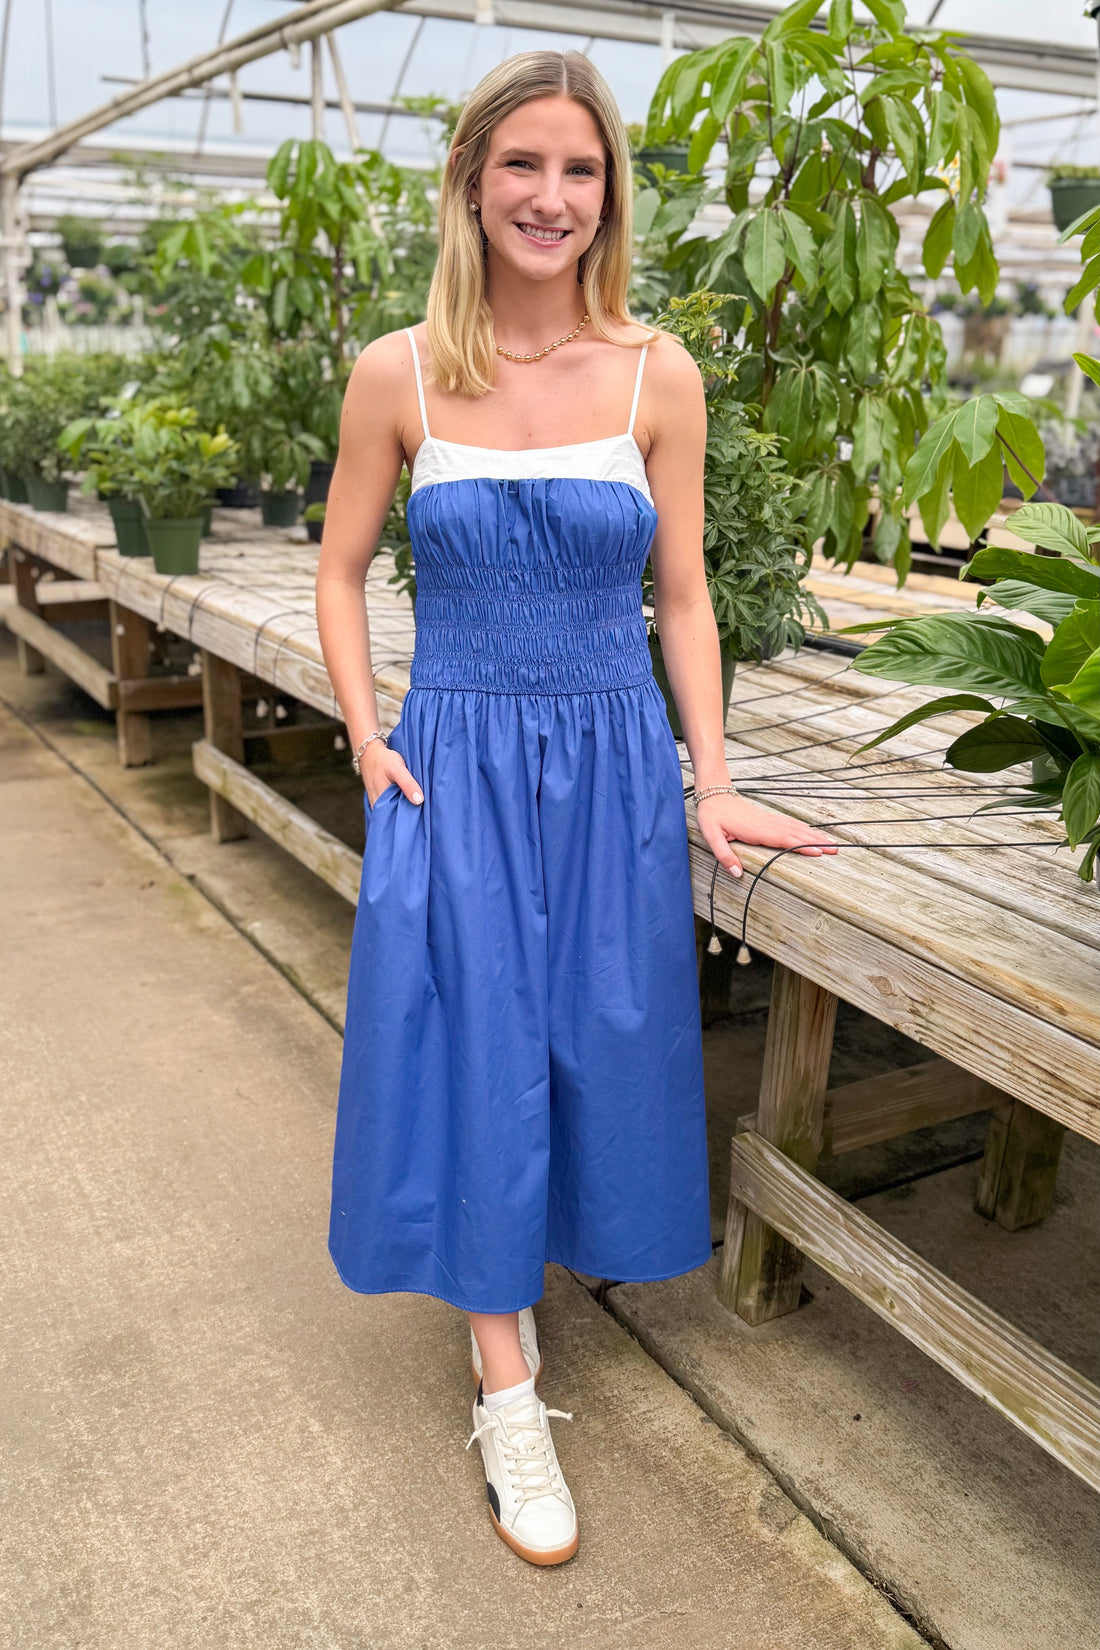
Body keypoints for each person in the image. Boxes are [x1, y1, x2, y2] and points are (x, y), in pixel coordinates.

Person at [315, 49, 837, 1569]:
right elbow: (340, 567)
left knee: (597, 1038)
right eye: (525, 164)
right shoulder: (396, 371)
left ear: (610, 192)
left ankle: (542, 1286)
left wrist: (716, 778)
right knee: (475, 1048)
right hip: (455, 760)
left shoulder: (656, 371)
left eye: (583, 168)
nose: (554, 196)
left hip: (613, 766)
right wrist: (366, 733)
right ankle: (507, 1380)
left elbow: (683, 596)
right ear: (473, 179)